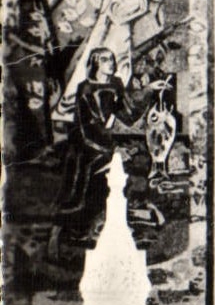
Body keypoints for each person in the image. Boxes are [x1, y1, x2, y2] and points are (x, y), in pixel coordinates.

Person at [58, 0, 186, 113]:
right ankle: (87, 104)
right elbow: (109, 11)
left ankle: (112, 106)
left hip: (124, 32)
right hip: (112, 30)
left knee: (122, 66)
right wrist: (130, 8)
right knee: (103, 65)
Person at [50, 49, 152, 250]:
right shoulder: (86, 89)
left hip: (110, 143)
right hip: (89, 146)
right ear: (95, 63)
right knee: (96, 182)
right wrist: (113, 151)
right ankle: (79, 232)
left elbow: (128, 114)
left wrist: (148, 90)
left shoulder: (116, 84)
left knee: (139, 162)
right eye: (105, 60)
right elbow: (89, 128)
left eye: (112, 59)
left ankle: (126, 225)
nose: (111, 63)